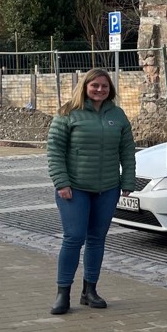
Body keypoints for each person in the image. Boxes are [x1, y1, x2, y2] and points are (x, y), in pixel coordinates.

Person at [46, 67, 136, 315]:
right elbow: (54, 151)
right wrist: (61, 182)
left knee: (97, 239)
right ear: (85, 86)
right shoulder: (68, 113)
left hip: (107, 188)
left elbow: (127, 151)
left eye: (104, 86)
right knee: (74, 238)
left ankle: (90, 291)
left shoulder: (117, 115)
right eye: (95, 85)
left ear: (110, 90)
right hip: (74, 188)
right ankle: (63, 292)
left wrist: (128, 181)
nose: (99, 90)